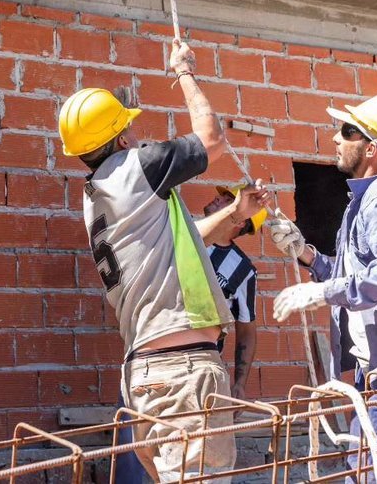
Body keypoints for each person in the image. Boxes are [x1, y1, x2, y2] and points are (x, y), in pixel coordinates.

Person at [58, 39, 271, 483]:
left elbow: (184, 233)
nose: (138, 135)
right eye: (130, 130)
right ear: (120, 137)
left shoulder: (101, 193)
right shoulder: (137, 167)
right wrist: (185, 72)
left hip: (147, 373)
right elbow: (211, 140)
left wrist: (235, 215)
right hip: (184, 372)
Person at [266, 92, 377, 484]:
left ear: (372, 149)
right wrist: (307, 255)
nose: (335, 138)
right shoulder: (364, 202)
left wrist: (323, 293)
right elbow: (356, 273)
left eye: (348, 131)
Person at [200, 191, 261, 401]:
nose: (218, 199)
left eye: (228, 200)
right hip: (157, 353)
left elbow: (247, 331)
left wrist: (240, 384)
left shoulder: (243, 270)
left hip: (203, 365)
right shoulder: (184, 232)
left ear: (241, 221)